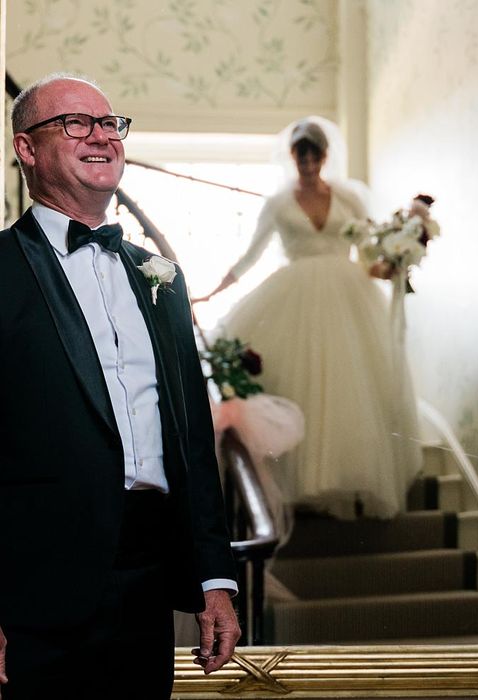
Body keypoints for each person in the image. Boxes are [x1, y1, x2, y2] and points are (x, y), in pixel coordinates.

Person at [0, 73, 240, 699]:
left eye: (111, 124)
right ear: (27, 149)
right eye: (76, 123)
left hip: (148, 580)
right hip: (32, 592)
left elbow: (191, 439)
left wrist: (215, 576)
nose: (101, 136)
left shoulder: (161, 276)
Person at [194, 117, 423, 520]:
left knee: (350, 384)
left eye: (313, 153)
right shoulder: (278, 203)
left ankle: (350, 476)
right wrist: (211, 292)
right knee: (304, 383)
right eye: (301, 153)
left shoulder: (349, 198)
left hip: (349, 294)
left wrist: (395, 263)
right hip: (295, 294)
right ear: (292, 157)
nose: (307, 161)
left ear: (324, 156)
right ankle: (307, 481)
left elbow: (369, 253)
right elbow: (250, 256)